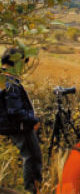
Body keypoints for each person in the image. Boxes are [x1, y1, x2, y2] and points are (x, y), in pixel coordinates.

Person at [0, 48, 42, 194]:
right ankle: (31, 190)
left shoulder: (2, 78)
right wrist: (33, 120)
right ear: (16, 62)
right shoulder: (10, 82)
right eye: (23, 63)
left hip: (9, 125)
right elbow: (16, 111)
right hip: (20, 127)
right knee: (32, 157)